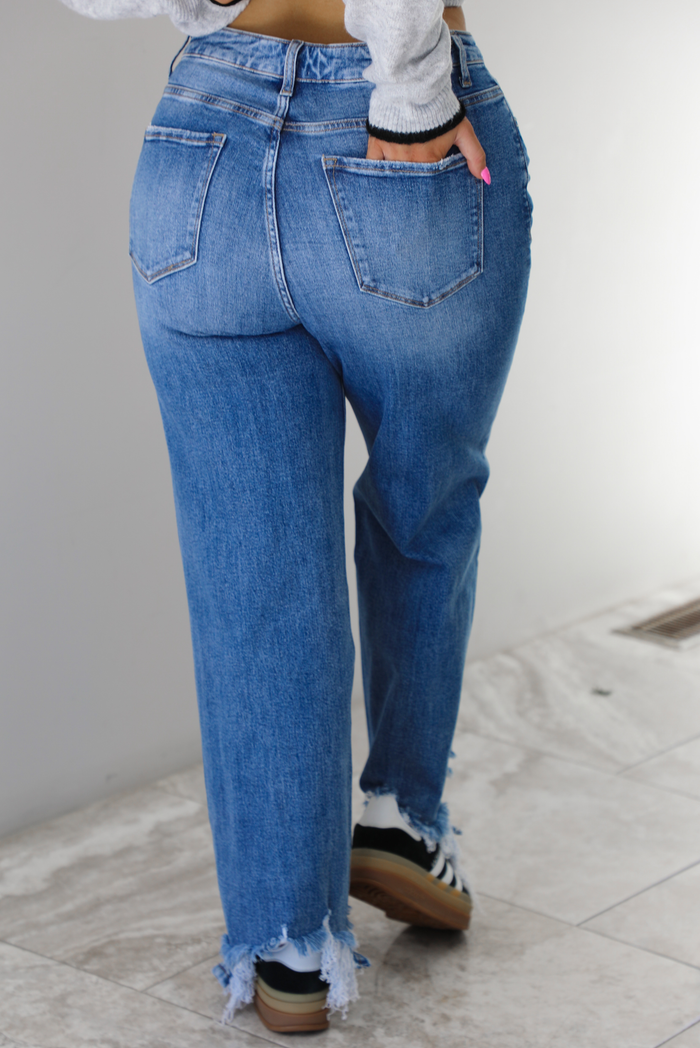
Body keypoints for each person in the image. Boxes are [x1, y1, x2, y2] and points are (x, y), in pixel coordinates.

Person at [56, 0, 532, 1033]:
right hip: (390, 134)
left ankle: (288, 943)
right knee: (424, 506)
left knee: (253, 580)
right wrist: (410, 93)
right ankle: (400, 817)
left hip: (200, 151)